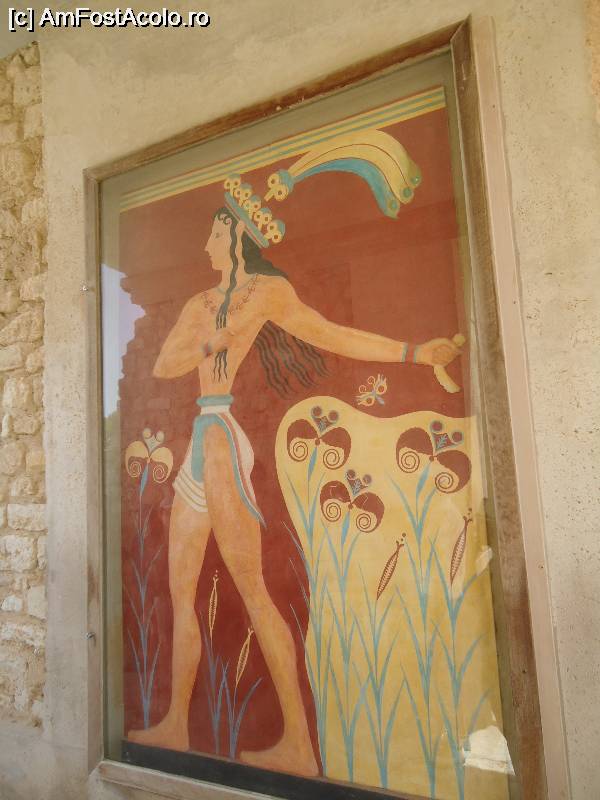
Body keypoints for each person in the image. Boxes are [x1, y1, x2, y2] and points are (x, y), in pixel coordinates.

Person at [128, 207, 461, 776]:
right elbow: (163, 365)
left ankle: (300, 746)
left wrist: (414, 353)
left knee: (254, 591)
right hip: (200, 441)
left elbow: (331, 334)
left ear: (237, 236)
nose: (206, 243)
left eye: (215, 231)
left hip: (222, 442)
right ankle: (177, 724)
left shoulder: (267, 293)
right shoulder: (200, 305)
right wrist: (211, 343)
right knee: (180, 592)